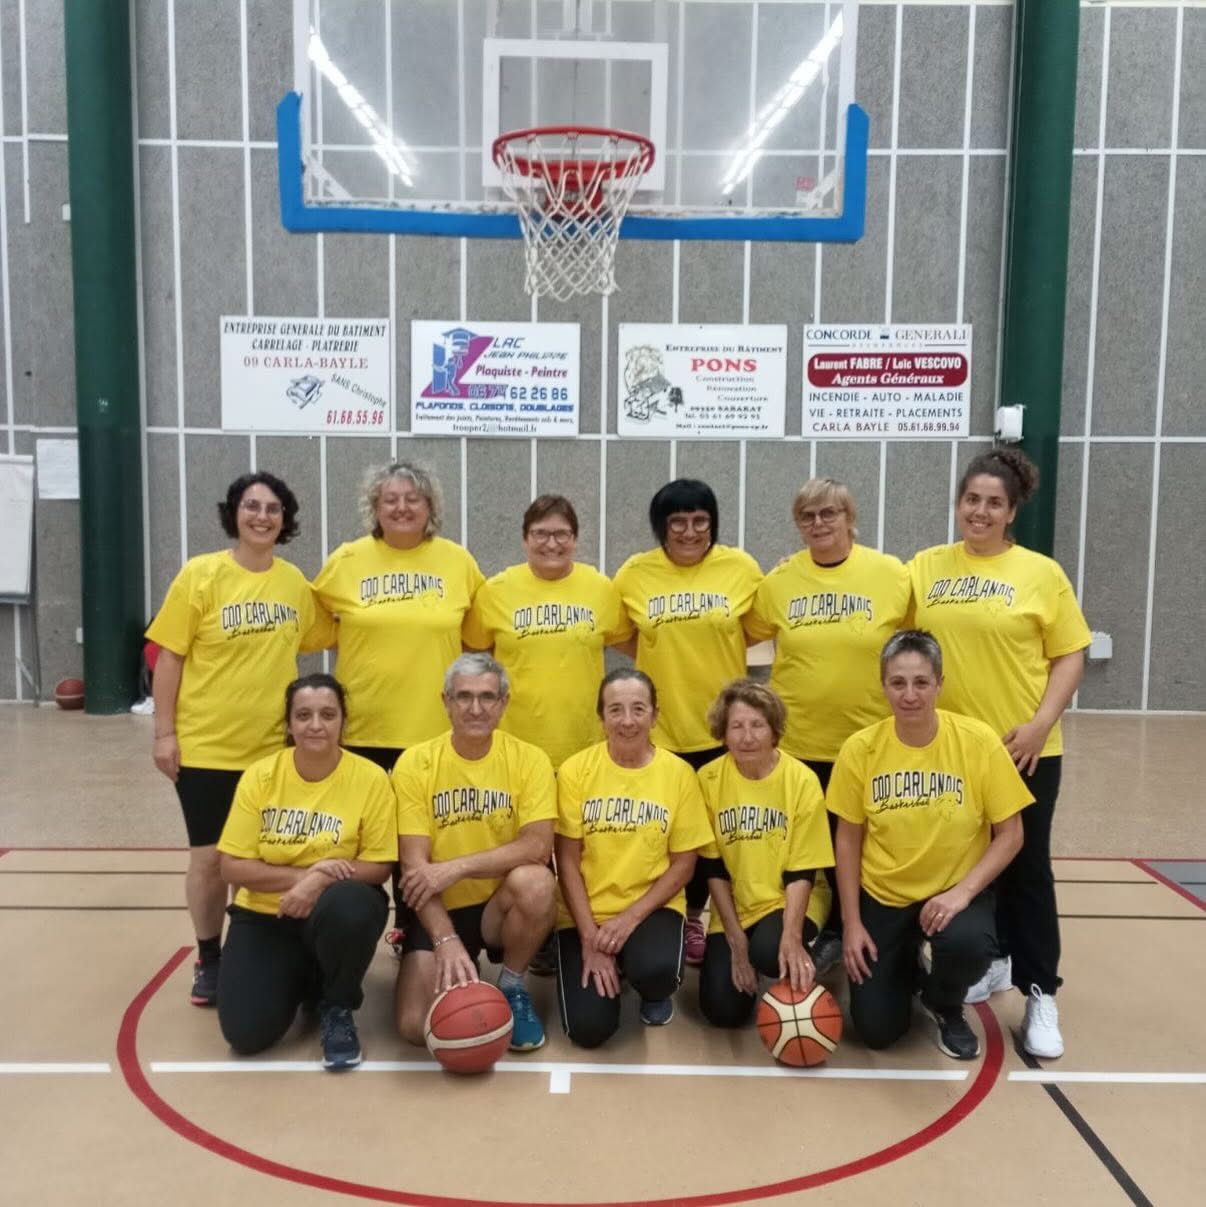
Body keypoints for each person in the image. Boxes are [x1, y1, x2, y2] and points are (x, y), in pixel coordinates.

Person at [908, 448, 1090, 1059]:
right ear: (958, 503)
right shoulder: (926, 567)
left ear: (1011, 511)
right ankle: (990, 959)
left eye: (993, 503)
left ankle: (1041, 990)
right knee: (965, 860)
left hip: (1022, 748)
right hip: (949, 750)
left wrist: (1041, 724)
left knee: (1027, 868)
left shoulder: (1041, 573)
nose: (979, 511)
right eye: (971, 500)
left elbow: (1070, 654)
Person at [146, 472, 325, 1007]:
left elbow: (328, 631)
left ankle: (270, 946)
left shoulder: (295, 583)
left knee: (270, 856)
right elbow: (169, 657)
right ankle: (209, 956)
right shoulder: (201, 576)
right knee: (209, 859)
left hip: (275, 749)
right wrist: (164, 733)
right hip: (207, 748)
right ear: (234, 514)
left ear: (285, 520)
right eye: (252, 506)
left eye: (273, 508)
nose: (262, 516)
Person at [828, 631, 1031, 1060]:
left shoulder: (977, 743)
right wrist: (851, 923)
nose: (909, 694)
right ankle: (909, 970)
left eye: (921, 682)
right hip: (884, 896)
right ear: (883, 685)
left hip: (952, 896)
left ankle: (945, 1004)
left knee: (968, 945)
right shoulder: (860, 750)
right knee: (877, 1033)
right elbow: (847, 840)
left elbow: (1011, 834)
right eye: (897, 682)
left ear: (940, 683)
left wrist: (962, 894)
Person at [744, 478, 911, 975]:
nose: (819, 524)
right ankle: (802, 930)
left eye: (829, 514)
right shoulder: (778, 584)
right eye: (808, 516)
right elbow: (743, 635)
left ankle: (848, 930)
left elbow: (916, 638)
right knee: (803, 844)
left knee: (854, 842)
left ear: (849, 518)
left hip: (865, 741)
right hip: (797, 739)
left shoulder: (890, 575)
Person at [614, 479, 762, 965]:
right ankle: (673, 918)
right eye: (677, 521)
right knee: (669, 836)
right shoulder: (635, 574)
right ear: (662, 526)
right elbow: (625, 638)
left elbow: (758, 628)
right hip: (665, 731)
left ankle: (705, 917)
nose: (690, 530)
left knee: (719, 836)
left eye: (700, 520)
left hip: (724, 732)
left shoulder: (741, 569)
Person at [215, 674, 394, 1070]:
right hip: (265, 914)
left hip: (330, 909)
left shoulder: (370, 779)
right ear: (290, 723)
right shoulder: (260, 777)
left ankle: (337, 1004)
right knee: (245, 1035)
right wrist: (307, 877)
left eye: (328, 714)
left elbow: (379, 866)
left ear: (343, 722)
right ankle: (306, 973)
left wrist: (319, 882)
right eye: (304, 715)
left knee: (353, 904)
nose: (316, 725)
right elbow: (231, 865)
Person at [393, 653, 557, 1053]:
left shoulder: (530, 760)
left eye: (487, 697)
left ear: (503, 703)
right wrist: (445, 938)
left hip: (499, 909)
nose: (476, 708)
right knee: (419, 1028)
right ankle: (458, 965)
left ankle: (513, 984)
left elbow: (538, 846)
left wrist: (456, 868)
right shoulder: (416, 763)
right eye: (464, 696)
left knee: (537, 882)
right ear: (445, 701)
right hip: (440, 909)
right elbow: (415, 868)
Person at [554, 669, 714, 1047]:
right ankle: (610, 959)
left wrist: (628, 919)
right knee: (589, 1031)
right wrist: (591, 938)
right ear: (601, 717)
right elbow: (567, 862)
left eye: (638, 709)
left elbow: (684, 865)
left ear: (655, 715)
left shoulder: (678, 774)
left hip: (649, 907)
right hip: (587, 910)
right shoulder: (576, 771)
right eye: (616, 710)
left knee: (656, 971)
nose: (627, 721)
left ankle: (648, 986)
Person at [312, 462, 484, 772]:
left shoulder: (459, 562)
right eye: (390, 500)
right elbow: (317, 625)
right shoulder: (345, 561)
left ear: (429, 507)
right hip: (362, 728)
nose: (401, 508)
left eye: (413, 499)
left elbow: (475, 640)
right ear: (375, 508)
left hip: (437, 727)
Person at [696, 680, 834, 1028]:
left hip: (789, 898)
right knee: (722, 1012)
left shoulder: (801, 780)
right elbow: (713, 868)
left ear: (774, 731)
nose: (747, 737)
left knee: (771, 953)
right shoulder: (708, 779)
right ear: (723, 733)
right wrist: (735, 942)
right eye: (736, 727)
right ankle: (754, 949)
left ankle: (799, 952)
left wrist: (791, 938)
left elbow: (801, 872)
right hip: (736, 904)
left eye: (757, 725)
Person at [462, 494, 631, 769]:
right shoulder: (495, 591)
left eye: (562, 534)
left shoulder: (601, 589)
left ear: (575, 539)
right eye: (540, 534)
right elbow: (468, 652)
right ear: (525, 539)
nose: (552, 543)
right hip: (514, 747)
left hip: (586, 746)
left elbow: (633, 644)